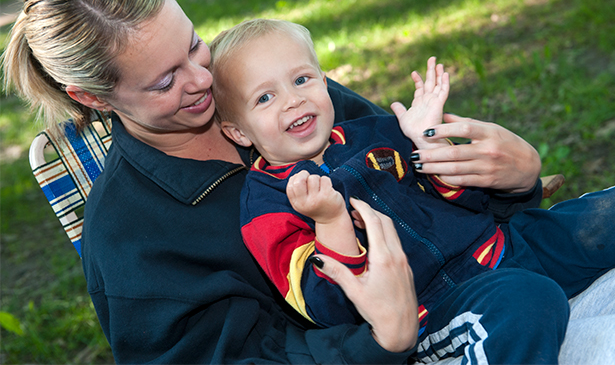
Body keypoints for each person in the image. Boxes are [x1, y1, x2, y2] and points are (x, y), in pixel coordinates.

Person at [1, 0, 612, 364]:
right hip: (416, 334)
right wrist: (383, 338)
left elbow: (420, 190)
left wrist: (515, 178)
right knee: (530, 304)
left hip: (486, 265)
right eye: (165, 82)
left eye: (194, 45)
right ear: (91, 97)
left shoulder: (266, 86)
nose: (202, 80)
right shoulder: (130, 241)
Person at [209, 18, 615, 363]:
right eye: (265, 97)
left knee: (603, 217)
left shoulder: (373, 133)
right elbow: (327, 307)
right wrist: (330, 221)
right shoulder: (266, 205)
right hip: (439, 307)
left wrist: (433, 147)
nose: (293, 100)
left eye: (302, 79)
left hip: (504, 245)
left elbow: (476, 203)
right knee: (526, 300)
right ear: (238, 131)